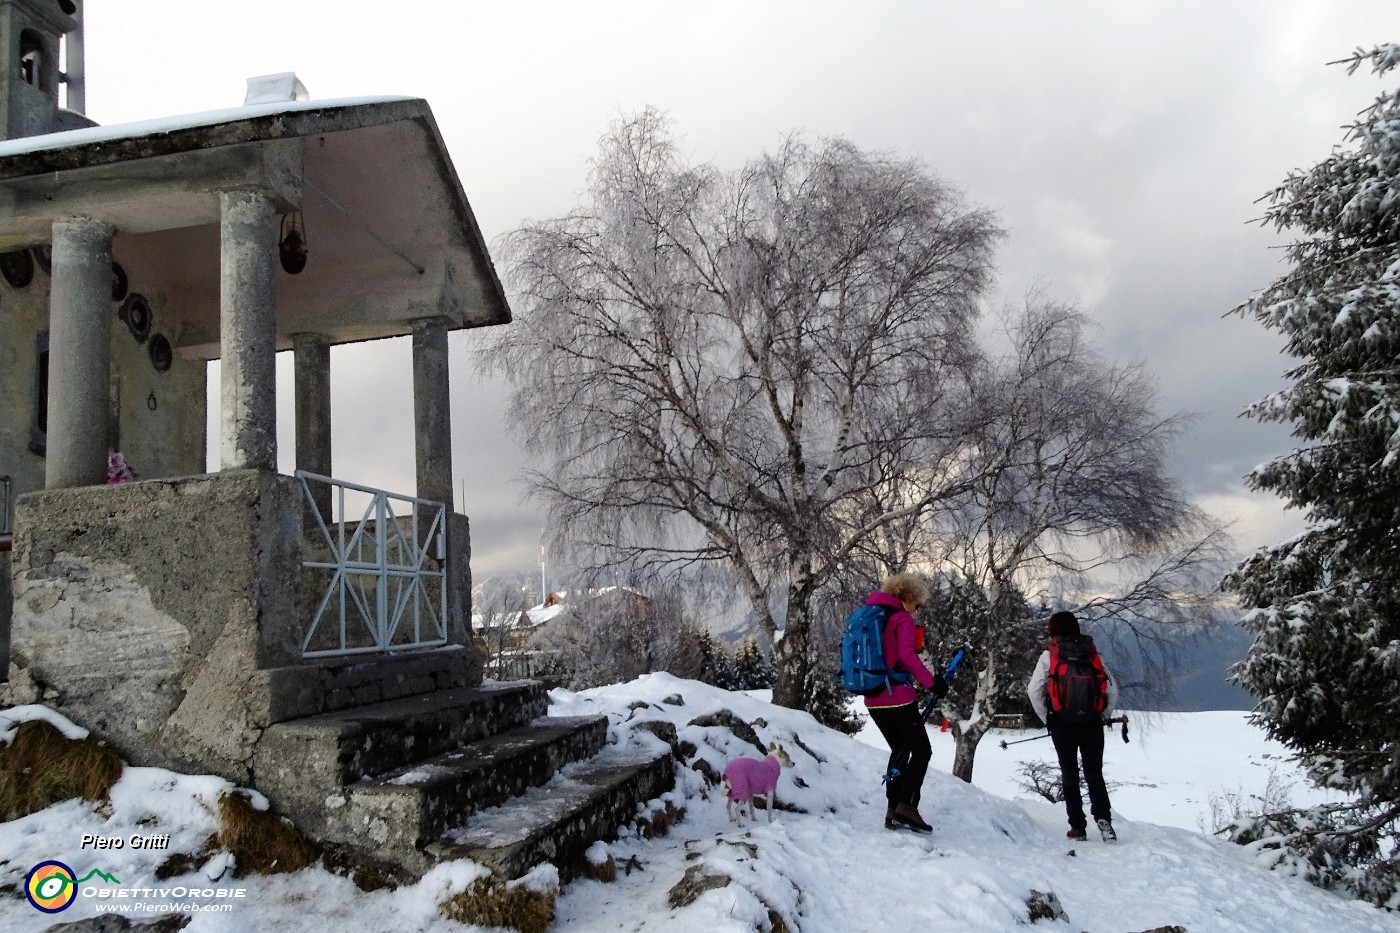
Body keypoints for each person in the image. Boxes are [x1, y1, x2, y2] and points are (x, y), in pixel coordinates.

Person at [1027, 610, 1120, 842]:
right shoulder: (1091, 653)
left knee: (1069, 773)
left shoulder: (1049, 656)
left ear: (1052, 630)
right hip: (1091, 722)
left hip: (1062, 722)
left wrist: (1047, 718)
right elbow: (1111, 689)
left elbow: (1033, 690)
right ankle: (1104, 821)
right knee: (1094, 773)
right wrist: (1102, 715)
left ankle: (1077, 827)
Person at [863, 572, 944, 833]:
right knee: (922, 751)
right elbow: (908, 657)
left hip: (873, 698)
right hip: (897, 698)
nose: (917, 608)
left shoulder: (875, 618)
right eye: (917, 603)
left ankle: (892, 808)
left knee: (900, 749)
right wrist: (933, 683)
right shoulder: (902, 619)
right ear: (908, 597)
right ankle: (907, 807)